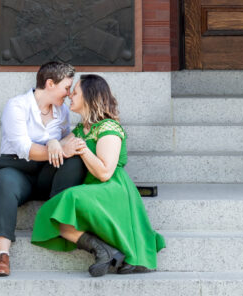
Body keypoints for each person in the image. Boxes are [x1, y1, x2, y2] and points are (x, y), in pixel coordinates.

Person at [31, 73, 166, 275]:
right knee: (54, 214)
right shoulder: (81, 129)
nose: (70, 96)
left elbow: (104, 172)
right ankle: (105, 251)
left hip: (112, 188)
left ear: (89, 96)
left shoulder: (108, 128)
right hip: (92, 187)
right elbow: (60, 146)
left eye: (75, 92)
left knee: (68, 198)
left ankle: (116, 252)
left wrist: (84, 150)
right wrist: (52, 143)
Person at [0, 60, 86, 277]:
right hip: (15, 168)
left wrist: (62, 144)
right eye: (66, 87)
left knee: (75, 159)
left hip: (47, 172)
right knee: (5, 183)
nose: (69, 94)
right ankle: (2, 255)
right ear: (50, 84)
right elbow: (24, 148)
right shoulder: (17, 105)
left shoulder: (62, 113)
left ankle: (57, 220)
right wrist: (56, 145)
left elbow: (65, 142)